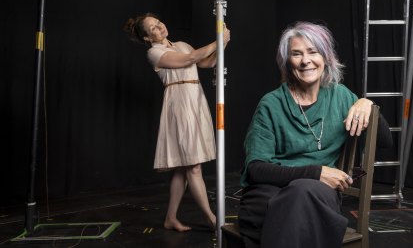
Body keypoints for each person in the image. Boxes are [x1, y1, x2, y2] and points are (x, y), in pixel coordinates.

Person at [237, 21, 374, 248]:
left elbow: (385, 140)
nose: (305, 60)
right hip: (268, 193)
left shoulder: (340, 96)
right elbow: (256, 168)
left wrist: (367, 103)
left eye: (313, 52)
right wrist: (316, 172)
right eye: (296, 54)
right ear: (286, 61)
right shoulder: (271, 104)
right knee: (296, 202)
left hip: (317, 195)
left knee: (303, 193)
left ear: (326, 57)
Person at [123, 13, 230, 232]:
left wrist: (223, 43)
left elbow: (207, 62)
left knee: (182, 168)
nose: (159, 26)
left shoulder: (181, 44)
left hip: (195, 98)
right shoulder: (154, 53)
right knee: (193, 166)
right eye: (153, 28)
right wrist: (218, 39)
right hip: (179, 104)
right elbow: (189, 60)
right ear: (146, 38)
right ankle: (212, 219)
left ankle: (170, 218)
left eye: (158, 22)